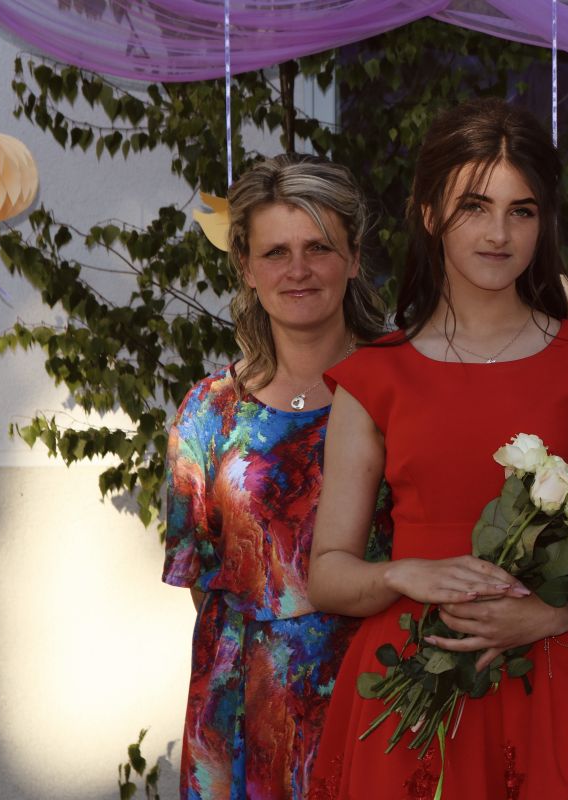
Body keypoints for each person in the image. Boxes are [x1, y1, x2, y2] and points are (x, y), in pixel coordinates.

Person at [306, 98, 568, 799]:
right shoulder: (373, 377)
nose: (499, 233)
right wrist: (404, 574)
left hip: (563, 680)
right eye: (475, 206)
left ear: (543, 221)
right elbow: (328, 575)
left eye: (521, 211)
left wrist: (546, 616)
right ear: (429, 213)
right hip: (415, 684)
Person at [162, 153, 392, 799]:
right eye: (275, 252)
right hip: (239, 710)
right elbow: (201, 578)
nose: (298, 270)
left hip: (376, 691)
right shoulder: (210, 410)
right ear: (245, 266)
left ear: (353, 257)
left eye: (319, 247)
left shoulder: (404, 392)